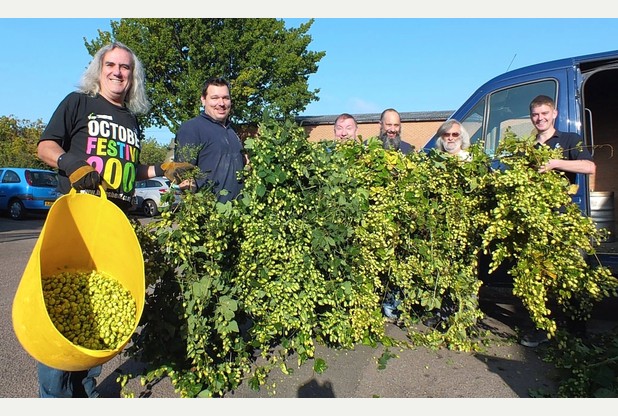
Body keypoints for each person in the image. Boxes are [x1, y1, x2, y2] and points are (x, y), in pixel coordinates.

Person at [36, 41, 192, 398]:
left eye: (126, 67)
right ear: (99, 68)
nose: (118, 72)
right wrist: (72, 164)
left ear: (133, 76)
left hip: (116, 222)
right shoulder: (78, 102)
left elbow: (126, 171)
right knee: (61, 310)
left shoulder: (131, 120)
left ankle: (86, 391)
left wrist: (162, 170)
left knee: (102, 311)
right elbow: (46, 145)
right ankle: (54, 396)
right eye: (112, 65)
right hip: (79, 217)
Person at [519, 94, 596, 348]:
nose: (539, 118)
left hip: (564, 219)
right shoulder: (528, 146)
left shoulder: (569, 140)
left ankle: (577, 334)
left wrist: (555, 163)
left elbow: (589, 167)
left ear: (554, 114)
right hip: (537, 220)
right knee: (537, 275)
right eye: (535, 115)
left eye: (544, 113)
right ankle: (540, 328)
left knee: (570, 274)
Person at [174, 77, 248, 203]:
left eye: (225, 98)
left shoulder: (233, 131)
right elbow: (182, 173)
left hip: (239, 214)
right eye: (215, 98)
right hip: (209, 215)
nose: (221, 103)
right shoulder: (192, 128)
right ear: (203, 100)